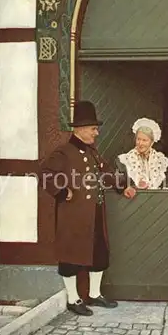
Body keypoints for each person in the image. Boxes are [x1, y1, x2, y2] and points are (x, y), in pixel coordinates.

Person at [39, 100, 136, 316]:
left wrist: (123, 186)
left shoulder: (91, 152)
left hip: (94, 214)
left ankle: (94, 294)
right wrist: (62, 191)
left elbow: (106, 171)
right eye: (93, 129)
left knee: (99, 253)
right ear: (80, 129)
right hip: (73, 215)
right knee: (71, 256)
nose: (97, 133)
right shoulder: (64, 152)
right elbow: (45, 173)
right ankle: (73, 299)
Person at [116, 118, 168, 190]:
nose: (140, 143)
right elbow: (120, 185)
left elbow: (167, 185)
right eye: (138, 139)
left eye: (144, 140)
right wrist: (134, 187)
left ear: (152, 142)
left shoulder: (162, 162)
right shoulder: (124, 161)